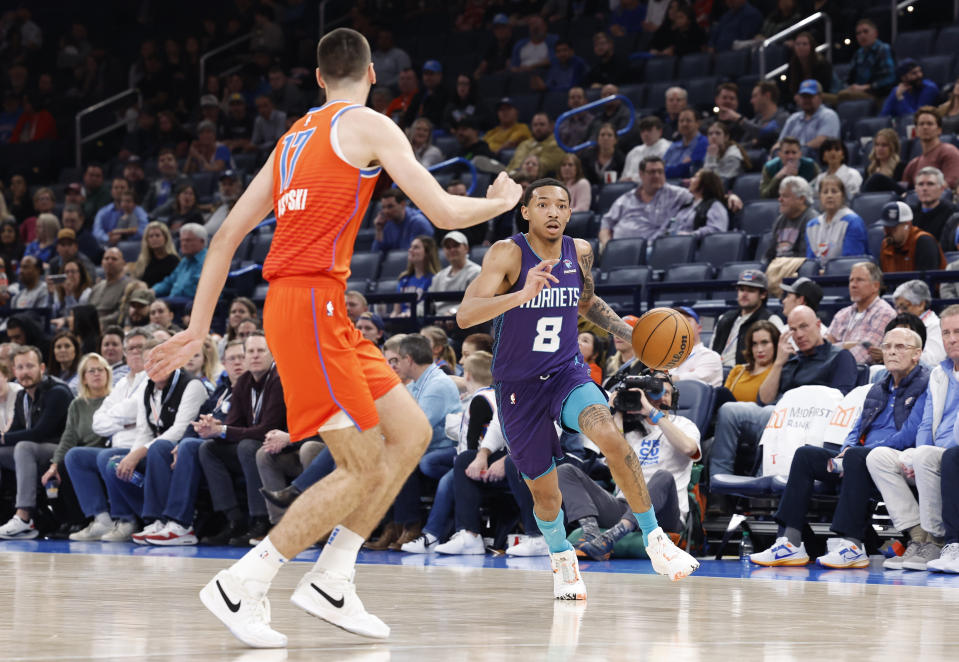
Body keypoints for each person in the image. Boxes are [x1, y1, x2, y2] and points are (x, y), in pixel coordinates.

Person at [145, 27, 523, 647]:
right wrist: (497, 200)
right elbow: (447, 215)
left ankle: (333, 577)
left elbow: (223, 238)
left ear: (319, 77)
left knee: (410, 433)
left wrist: (195, 327)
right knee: (359, 462)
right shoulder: (370, 124)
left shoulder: (292, 137)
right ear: (372, 74)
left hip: (313, 309)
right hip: (309, 305)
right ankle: (246, 580)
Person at [457, 176, 700, 599]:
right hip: (519, 388)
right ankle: (562, 559)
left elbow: (585, 303)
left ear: (570, 213)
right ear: (526, 211)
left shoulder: (580, 251)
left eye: (562, 205)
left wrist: (626, 330)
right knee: (545, 495)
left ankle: (655, 538)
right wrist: (522, 293)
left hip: (567, 373)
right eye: (544, 204)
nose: (554, 212)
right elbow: (465, 315)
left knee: (610, 435)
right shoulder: (508, 253)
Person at [750, 327, 929, 568]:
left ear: (916, 354)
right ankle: (789, 542)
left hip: (896, 458)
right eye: (887, 347)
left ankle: (852, 545)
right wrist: (846, 449)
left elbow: (910, 433)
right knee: (806, 455)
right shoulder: (878, 387)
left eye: (900, 347)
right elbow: (857, 427)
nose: (891, 352)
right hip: (859, 457)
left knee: (857, 456)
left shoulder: (926, 384)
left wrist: (860, 452)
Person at [709, 305, 858, 485]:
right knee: (729, 410)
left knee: (773, 417)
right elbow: (764, 399)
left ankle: (762, 482)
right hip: (777, 415)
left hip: (811, 422)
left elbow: (841, 401)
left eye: (804, 326)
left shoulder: (840, 357)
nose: (799, 334)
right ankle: (718, 487)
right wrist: (779, 363)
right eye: (793, 329)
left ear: (818, 324)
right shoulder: (791, 360)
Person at [560, 373, 700, 560]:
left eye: (666, 393)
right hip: (624, 506)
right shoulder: (630, 427)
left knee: (663, 476)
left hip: (664, 515)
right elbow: (610, 459)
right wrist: (613, 410)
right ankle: (591, 532)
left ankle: (612, 536)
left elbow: (689, 448)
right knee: (565, 471)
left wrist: (651, 412)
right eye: (656, 393)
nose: (663, 397)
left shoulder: (684, 424)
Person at [865, 307, 959, 571]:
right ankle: (918, 536)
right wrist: (913, 455)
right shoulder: (939, 375)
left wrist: (923, 454)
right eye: (947, 333)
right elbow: (927, 423)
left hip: (952, 454)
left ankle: (937, 539)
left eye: (957, 332)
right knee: (878, 457)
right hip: (934, 453)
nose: (951, 339)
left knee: (928, 455)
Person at [195, 332, 286, 547]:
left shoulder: (278, 380)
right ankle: (233, 519)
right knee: (208, 449)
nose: (255, 356)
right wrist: (213, 427)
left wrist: (224, 430)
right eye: (250, 352)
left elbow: (266, 429)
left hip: (281, 446)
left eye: (260, 351)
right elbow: (235, 423)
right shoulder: (245, 381)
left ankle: (260, 521)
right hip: (255, 444)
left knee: (247, 447)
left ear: (272, 355)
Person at [66, 329, 150, 541]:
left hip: (141, 447)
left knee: (106, 457)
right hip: (118, 445)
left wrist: (120, 417)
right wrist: (125, 421)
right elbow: (98, 422)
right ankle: (102, 520)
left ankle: (126, 520)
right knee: (75, 456)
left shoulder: (152, 378)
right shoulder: (121, 384)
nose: (136, 353)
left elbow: (137, 410)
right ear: (124, 353)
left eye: (141, 348)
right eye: (131, 348)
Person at [0, 345, 74, 539]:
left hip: (62, 451)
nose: (25, 372)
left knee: (24, 447)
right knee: (16, 449)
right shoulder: (22, 396)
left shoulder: (58, 391)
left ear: (42, 368)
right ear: (14, 371)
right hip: (35, 450)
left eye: (30, 366)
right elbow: (15, 430)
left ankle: (24, 518)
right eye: (20, 367)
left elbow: (40, 432)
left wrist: (3, 437)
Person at [37, 352, 112, 529]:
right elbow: (68, 437)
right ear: (84, 378)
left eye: (100, 370)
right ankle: (68, 520)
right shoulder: (77, 404)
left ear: (107, 374)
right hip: (79, 453)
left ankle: (86, 519)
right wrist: (53, 464)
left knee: (71, 460)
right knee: (54, 468)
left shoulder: (114, 399)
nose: (96, 374)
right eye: (91, 371)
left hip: (104, 452)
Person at [599, 156, 693, 250]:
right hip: (619, 248)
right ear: (641, 174)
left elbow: (699, 202)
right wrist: (607, 245)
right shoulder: (626, 199)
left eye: (660, 171)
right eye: (652, 172)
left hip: (653, 248)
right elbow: (606, 222)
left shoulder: (678, 195)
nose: (657, 176)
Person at [826, 261, 898, 365]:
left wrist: (835, 347)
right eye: (851, 280)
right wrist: (847, 345)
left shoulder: (885, 313)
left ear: (876, 286)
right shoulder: (842, 313)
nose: (853, 285)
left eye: (859, 280)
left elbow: (863, 355)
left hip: (863, 375)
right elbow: (823, 348)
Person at [712, 270, 783, 368]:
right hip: (717, 370)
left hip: (747, 373)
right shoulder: (724, 318)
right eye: (741, 289)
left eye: (751, 290)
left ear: (763, 294)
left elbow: (779, 355)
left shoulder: (771, 320)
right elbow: (711, 351)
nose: (744, 294)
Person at [805, 175, 868, 267]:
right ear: (819, 197)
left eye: (834, 191)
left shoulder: (853, 222)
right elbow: (811, 262)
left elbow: (851, 262)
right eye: (825, 192)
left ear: (842, 196)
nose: (829, 195)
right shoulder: (811, 226)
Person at [837, 19, 896, 104]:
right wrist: (850, 87)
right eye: (858, 33)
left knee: (843, 96)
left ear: (875, 33)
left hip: (878, 95)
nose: (862, 35)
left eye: (865, 31)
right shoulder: (858, 53)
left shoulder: (883, 49)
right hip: (859, 92)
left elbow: (889, 78)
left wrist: (867, 87)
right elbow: (849, 78)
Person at [775, 80, 841, 156]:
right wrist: (775, 150)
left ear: (820, 97)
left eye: (810, 96)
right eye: (804, 97)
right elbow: (780, 142)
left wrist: (797, 151)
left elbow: (822, 141)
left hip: (817, 162)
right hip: (791, 159)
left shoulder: (829, 115)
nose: (806, 100)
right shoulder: (793, 118)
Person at [879, 200, 946, 274]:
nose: (887, 231)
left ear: (907, 225)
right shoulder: (886, 244)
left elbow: (926, 283)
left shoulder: (924, 242)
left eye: (893, 227)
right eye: (886, 227)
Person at [902, 107, 959, 190]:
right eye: (921, 124)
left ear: (939, 130)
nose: (925, 127)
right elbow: (903, 192)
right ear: (916, 130)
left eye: (930, 124)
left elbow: (951, 184)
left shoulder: (949, 152)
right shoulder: (913, 164)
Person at [724, 320, 780, 403]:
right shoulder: (738, 370)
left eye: (764, 343)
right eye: (754, 344)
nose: (759, 350)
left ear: (776, 344)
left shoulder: (778, 372)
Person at [764, 176, 817, 263]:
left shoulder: (812, 221)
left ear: (801, 199)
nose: (780, 199)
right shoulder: (780, 220)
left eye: (785, 196)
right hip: (778, 269)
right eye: (780, 195)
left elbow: (805, 258)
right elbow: (769, 254)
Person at [428, 231, 482, 317]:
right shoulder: (438, 277)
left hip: (465, 322)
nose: (452, 250)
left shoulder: (477, 272)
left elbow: (475, 302)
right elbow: (427, 302)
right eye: (448, 247)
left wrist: (453, 312)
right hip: (438, 322)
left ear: (466, 248)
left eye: (456, 245)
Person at [893, 280, 946, 367]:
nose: (899, 312)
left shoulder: (935, 325)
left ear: (921, 304)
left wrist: (898, 355)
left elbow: (933, 360)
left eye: (904, 307)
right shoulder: (900, 324)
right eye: (897, 308)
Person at [151, 223, 207, 301]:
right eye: (182, 240)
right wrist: (153, 291)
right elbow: (169, 281)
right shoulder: (184, 261)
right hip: (174, 302)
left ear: (202, 241)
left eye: (188, 240)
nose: (183, 244)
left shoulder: (208, 261)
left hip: (190, 305)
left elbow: (192, 290)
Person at [671, 306, 723, 387]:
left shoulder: (710, 356)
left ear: (699, 328)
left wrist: (665, 378)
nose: (682, 324)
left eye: (687, 320)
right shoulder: (665, 358)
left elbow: (692, 385)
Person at [371, 189, 434, 254]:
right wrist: (379, 230)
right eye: (383, 207)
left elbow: (414, 255)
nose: (386, 211)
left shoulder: (418, 223)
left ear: (403, 204)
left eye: (390, 206)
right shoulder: (386, 222)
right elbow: (376, 254)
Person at [672, 169, 729, 239]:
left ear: (705, 183)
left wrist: (691, 235)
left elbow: (716, 229)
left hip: (696, 247)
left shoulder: (715, 205)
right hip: (676, 243)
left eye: (695, 177)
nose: (690, 179)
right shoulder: (687, 204)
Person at [392, 235, 439, 317]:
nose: (410, 250)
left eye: (416, 247)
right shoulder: (403, 279)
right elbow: (396, 311)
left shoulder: (435, 279)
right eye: (411, 247)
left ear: (427, 253)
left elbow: (433, 309)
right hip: (401, 323)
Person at [506, 112, 565, 178]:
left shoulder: (557, 145)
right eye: (535, 125)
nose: (538, 128)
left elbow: (540, 168)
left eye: (542, 124)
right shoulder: (524, 144)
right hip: (512, 179)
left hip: (537, 184)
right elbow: (511, 165)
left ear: (551, 126)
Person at [911, 166, 956, 246]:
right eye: (921, 184)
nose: (924, 188)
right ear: (916, 189)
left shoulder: (953, 213)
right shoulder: (910, 213)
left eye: (930, 184)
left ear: (942, 188)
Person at [785, 31, 833, 102]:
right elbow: (789, 89)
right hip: (797, 101)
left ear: (811, 46)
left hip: (819, 100)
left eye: (804, 44)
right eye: (797, 44)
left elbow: (825, 89)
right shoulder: (793, 64)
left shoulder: (822, 65)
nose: (801, 47)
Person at [621, 116, 672, 182]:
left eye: (649, 130)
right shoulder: (634, 152)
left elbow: (663, 175)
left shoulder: (668, 148)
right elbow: (623, 177)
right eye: (642, 131)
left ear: (660, 131)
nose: (645, 134)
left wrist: (634, 179)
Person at [129, 221, 180, 287]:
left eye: (157, 235)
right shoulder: (143, 260)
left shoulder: (173, 261)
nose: (154, 238)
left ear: (166, 238)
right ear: (147, 240)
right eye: (151, 236)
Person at [663, 109, 707, 179]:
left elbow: (688, 170)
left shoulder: (704, 143)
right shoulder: (674, 146)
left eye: (688, 120)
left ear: (697, 123)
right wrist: (680, 166)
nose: (684, 124)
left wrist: (669, 169)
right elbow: (661, 168)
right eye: (681, 121)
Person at [863, 128, 904, 192]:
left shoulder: (901, 167)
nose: (880, 148)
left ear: (893, 147)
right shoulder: (869, 169)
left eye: (884, 145)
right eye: (877, 145)